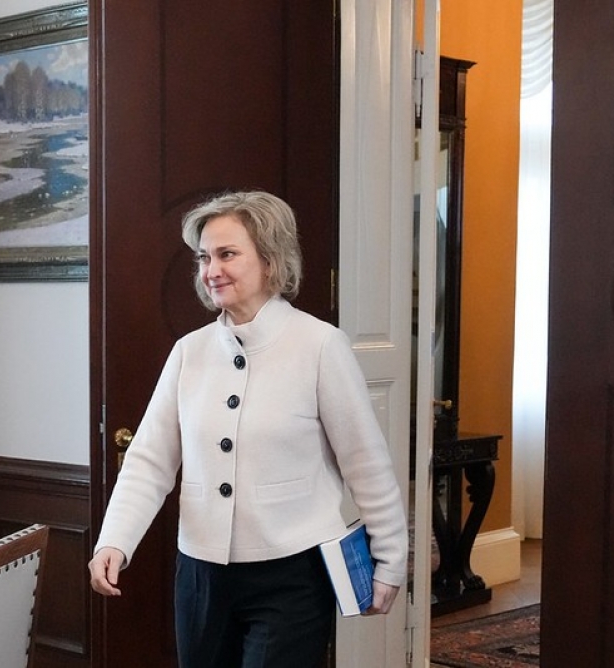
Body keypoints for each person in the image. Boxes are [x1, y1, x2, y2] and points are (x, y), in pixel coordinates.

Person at [88, 190, 408, 667]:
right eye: (204, 257)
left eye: (227, 254)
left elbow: (365, 463)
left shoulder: (320, 345)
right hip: (200, 576)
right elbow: (149, 461)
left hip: (293, 577)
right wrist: (115, 539)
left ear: (271, 260)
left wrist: (390, 559)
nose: (211, 270)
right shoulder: (189, 352)